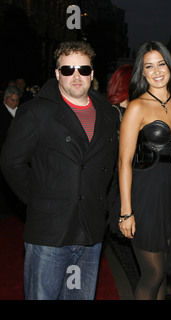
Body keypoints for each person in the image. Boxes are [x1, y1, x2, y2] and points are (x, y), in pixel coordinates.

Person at [0, 41, 120, 300]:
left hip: (90, 229)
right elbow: (11, 163)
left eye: (83, 69)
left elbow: (111, 168)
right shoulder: (36, 111)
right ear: (57, 74)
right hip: (49, 230)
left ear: (92, 73)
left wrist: (109, 207)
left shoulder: (108, 114)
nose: (76, 76)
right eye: (68, 70)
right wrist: (40, 200)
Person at [116, 41, 171, 300]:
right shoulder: (137, 107)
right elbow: (124, 161)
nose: (156, 71)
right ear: (142, 72)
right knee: (152, 273)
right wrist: (125, 211)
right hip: (145, 192)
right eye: (149, 66)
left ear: (170, 67)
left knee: (163, 271)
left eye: (161, 64)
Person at [104, 64, 141, 292]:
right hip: (116, 191)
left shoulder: (125, 112)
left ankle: (145, 288)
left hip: (121, 188)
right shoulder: (114, 114)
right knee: (126, 246)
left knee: (131, 248)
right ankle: (143, 289)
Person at [0, 85, 24, 221]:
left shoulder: (21, 112)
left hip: (17, 155)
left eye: (16, 100)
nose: (14, 103)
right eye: (12, 100)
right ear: (5, 98)